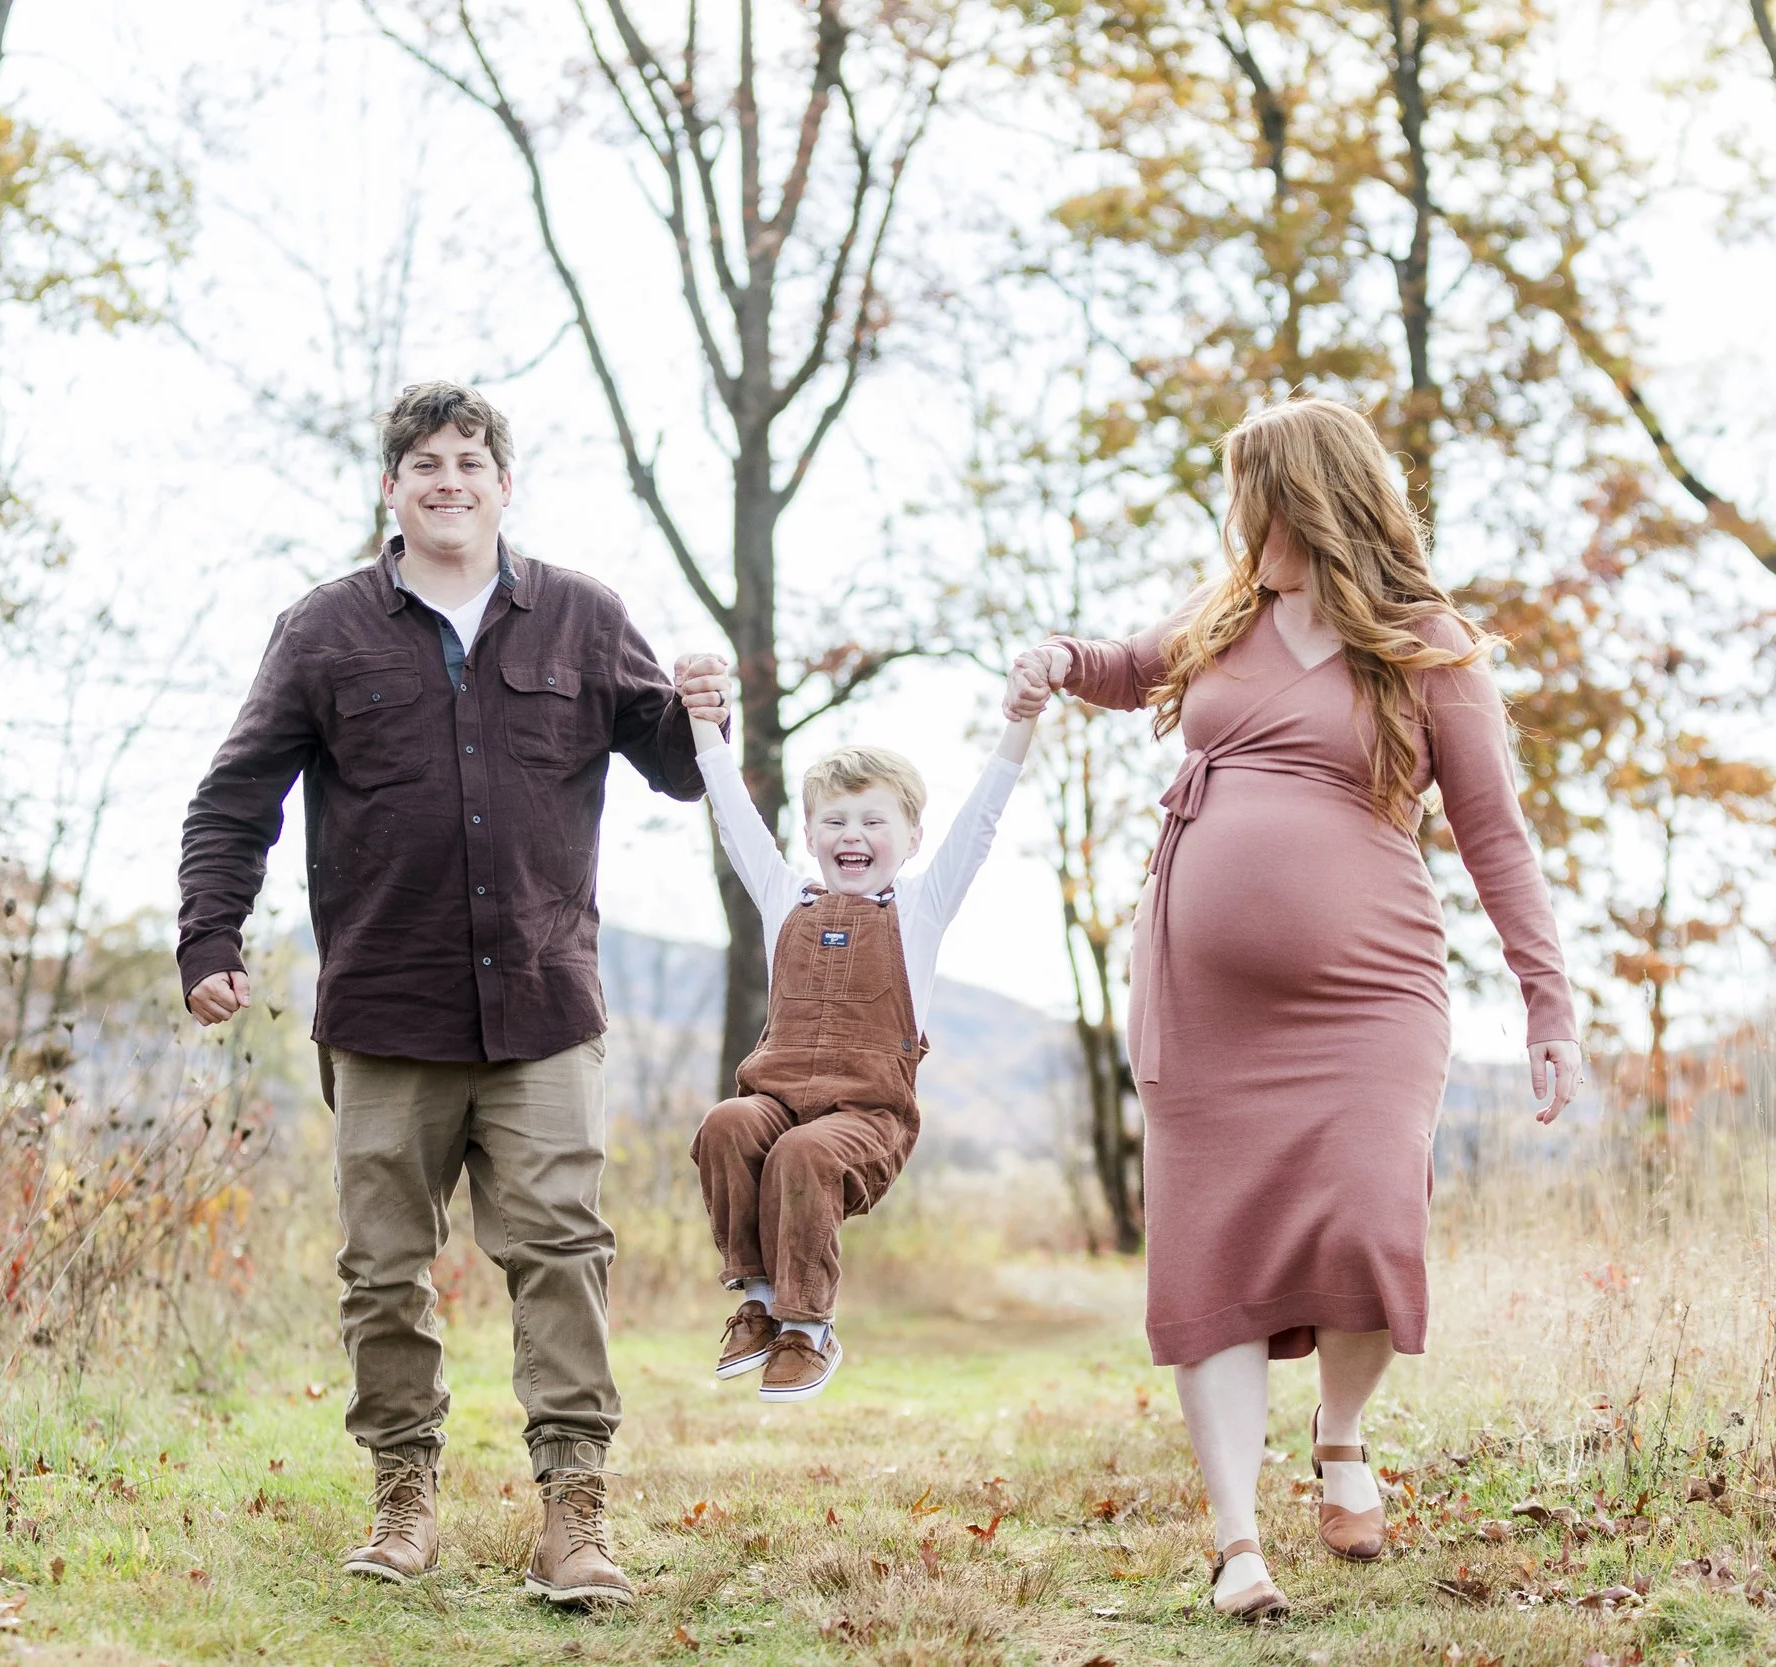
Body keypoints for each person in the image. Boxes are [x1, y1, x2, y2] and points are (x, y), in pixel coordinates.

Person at [1007, 397, 1582, 1619]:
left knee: (1373, 1225)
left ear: (1306, 498)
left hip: (1373, 994)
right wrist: (1059, 659)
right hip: (1205, 1000)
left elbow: (1493, 835)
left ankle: (1342, 1429)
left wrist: (1548, 999)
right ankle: (1235, 1544)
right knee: (1210, 1248)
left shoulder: (1429, 649)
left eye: (1250, 493)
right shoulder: (1226, 616)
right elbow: (1122, 668)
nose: (1237, 519)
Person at [176, 381, 722, 1606]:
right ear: (393, 486)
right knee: (383, 1268)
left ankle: (575, 1513)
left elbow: (678, 771)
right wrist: (208, 934)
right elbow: (234, 795)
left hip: (541, 1007)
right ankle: (403, 1494)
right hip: (387, 1008)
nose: (448, 479)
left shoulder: (583, 617)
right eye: (424, 461)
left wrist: (703, 714)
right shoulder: (322, 631)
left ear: (502, 483)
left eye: (470, 459)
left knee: (563, 1251)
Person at [673, 653, 1040, 1401]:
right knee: (726, 1123)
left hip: (866, 1117)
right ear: (809, 834)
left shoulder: (921, 911)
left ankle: (808, 1329)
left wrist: (1020, 723)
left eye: (875, 821)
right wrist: (705, 729)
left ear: (910, 838)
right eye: (835, 820)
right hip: (777, 1099)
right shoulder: (785, 899)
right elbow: (736, 822)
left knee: (803, 1155)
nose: (853, 833)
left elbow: (983, 821)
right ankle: (758, 1297)